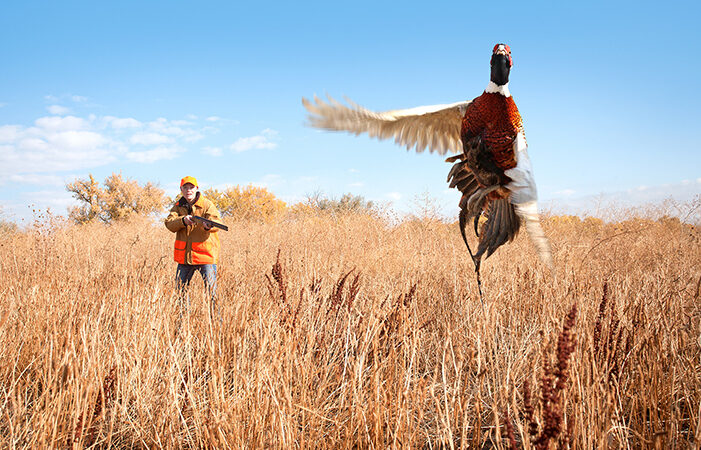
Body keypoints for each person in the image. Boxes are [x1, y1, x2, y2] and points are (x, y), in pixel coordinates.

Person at [165, 176, 222, 319]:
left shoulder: (207, 204)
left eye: (191, 187)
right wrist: (183, 221)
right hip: (185, 259)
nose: (188, 190)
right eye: (185, 187)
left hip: (206, 257)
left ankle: (216, 323)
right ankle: (183, 322)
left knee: (212, 293)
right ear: (181, 189)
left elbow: (217, 222)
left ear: (197, 189)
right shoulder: (178, 206)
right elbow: (169, 223)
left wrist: (209, 226)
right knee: (180, 292)